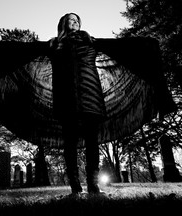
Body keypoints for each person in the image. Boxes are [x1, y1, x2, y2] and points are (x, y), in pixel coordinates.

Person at [49, 13, 106, 195]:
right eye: (69, 20)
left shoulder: (90, 40)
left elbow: (118, 47)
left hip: (90, 94)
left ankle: (93, 185)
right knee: (70, 142)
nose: (73, 22)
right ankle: (75, 187)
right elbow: (27, 51)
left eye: (76, 20)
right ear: (63, 24)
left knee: (92, 141)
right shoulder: (55, 44)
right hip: (66, 97)